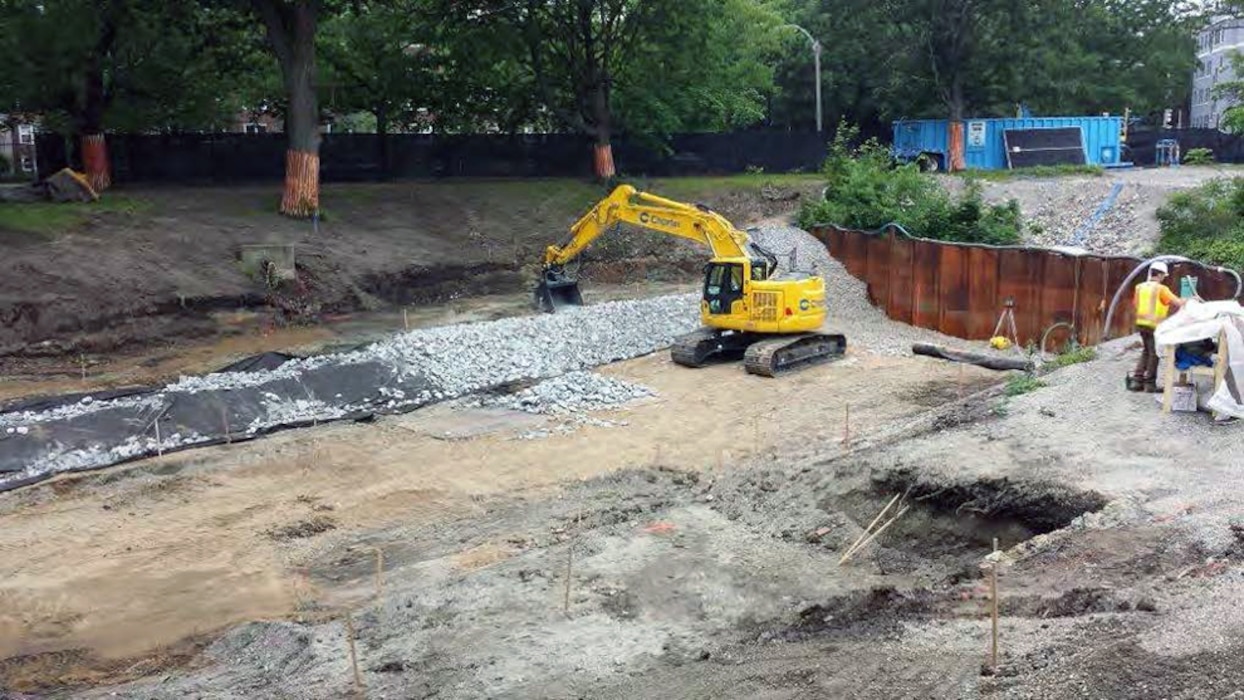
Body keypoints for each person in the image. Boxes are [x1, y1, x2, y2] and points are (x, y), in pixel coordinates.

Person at [1129, 261, 1189, 392]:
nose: (1164, 278)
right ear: (1160, 274)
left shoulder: (1139, 287)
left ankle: (1137, 381)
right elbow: (1178, 302)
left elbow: (1135, 304)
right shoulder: (1161, 289)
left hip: (1141, 324)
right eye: (1164, 275)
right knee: (1154, 353)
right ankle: (1150, 384)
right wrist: (1189, 299)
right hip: (1154, 325)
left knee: (1146, 351)